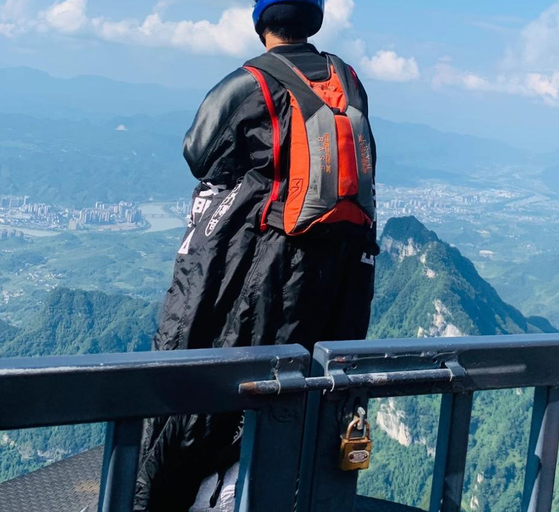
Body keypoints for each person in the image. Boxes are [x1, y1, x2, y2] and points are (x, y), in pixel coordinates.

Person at [134, 0, 378, 510]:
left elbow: (198, 150)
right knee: (296, 391)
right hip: (339, 275)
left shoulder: (256, 80)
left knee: (231, 384)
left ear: (262, 23)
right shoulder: (347, 79)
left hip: (273, 264)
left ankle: (205, 492)